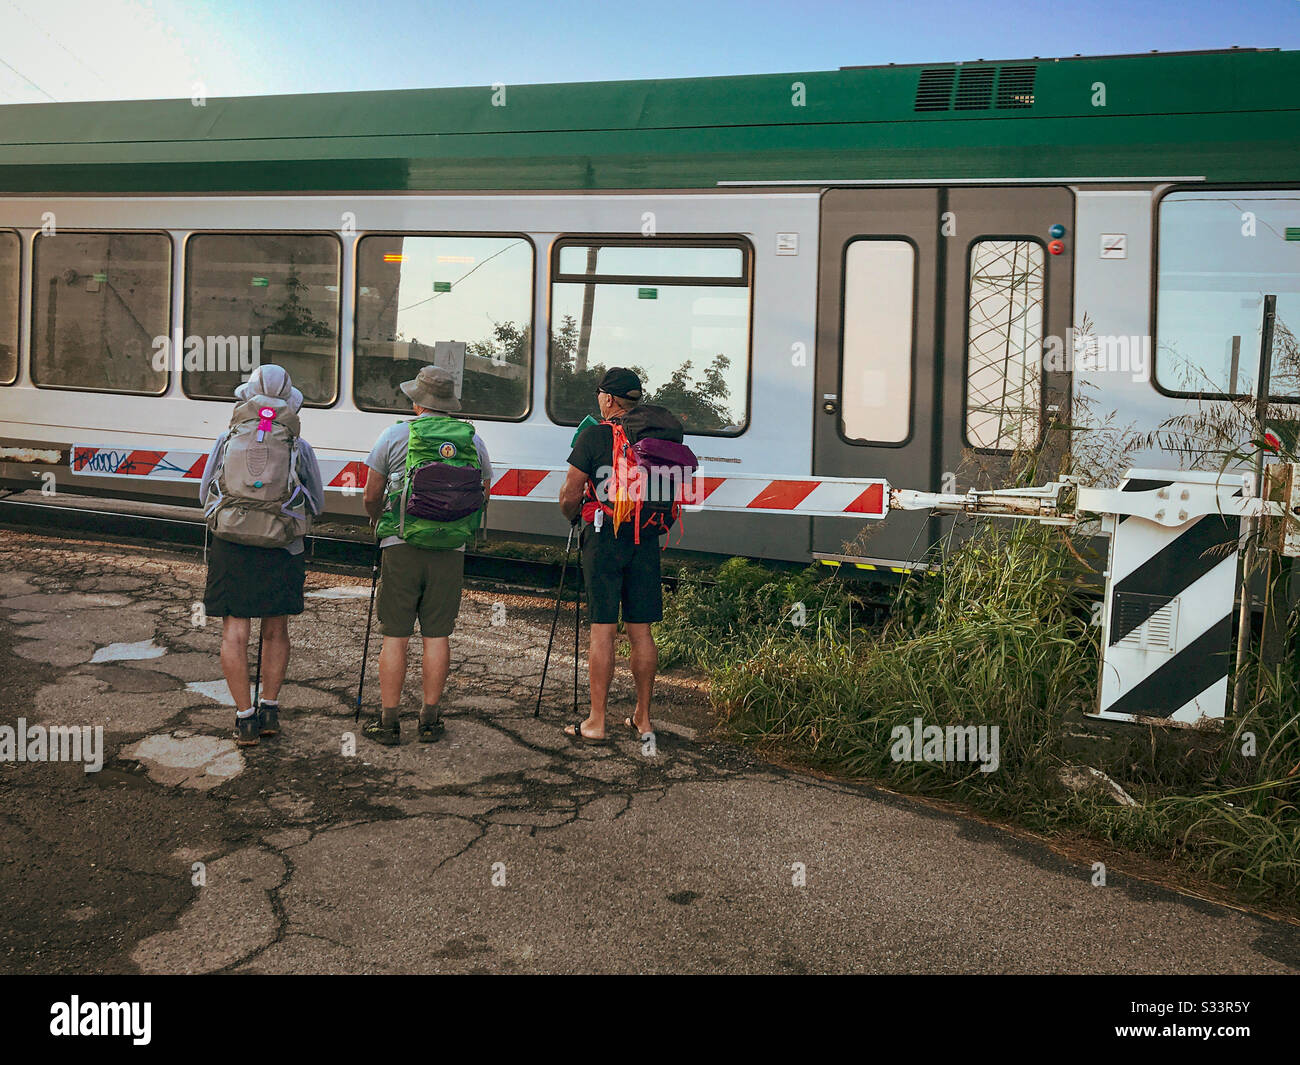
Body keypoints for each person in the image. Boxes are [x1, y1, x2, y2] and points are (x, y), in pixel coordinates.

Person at [362, 365, 493, 746]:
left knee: (395, 635)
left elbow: (371, 494)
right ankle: (430, 721)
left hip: (401, 544)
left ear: (417, 401)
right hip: (450, 549)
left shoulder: (394, 435)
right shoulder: (472, 439)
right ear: (448, 403)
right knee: (437, 635)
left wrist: (379, 522)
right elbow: (484, 493)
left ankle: (388, 724)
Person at [199, 364, 325, 747]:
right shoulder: (298, 445)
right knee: (275, 630)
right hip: (281, 546)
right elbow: (316, 503)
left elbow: (204, 494)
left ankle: (244, 719)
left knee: (235, 631)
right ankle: (269, 709)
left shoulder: (227, 438)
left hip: (231, 545)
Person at [557, 367, 666, 744]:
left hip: (604, 538)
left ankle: (597, 722)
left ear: (608, 399)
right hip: (646, 538)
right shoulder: (655, 437)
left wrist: (574, 516)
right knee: (641, 630)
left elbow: (571, 493)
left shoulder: (594, 435)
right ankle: (643, 719)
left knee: (603, 628)